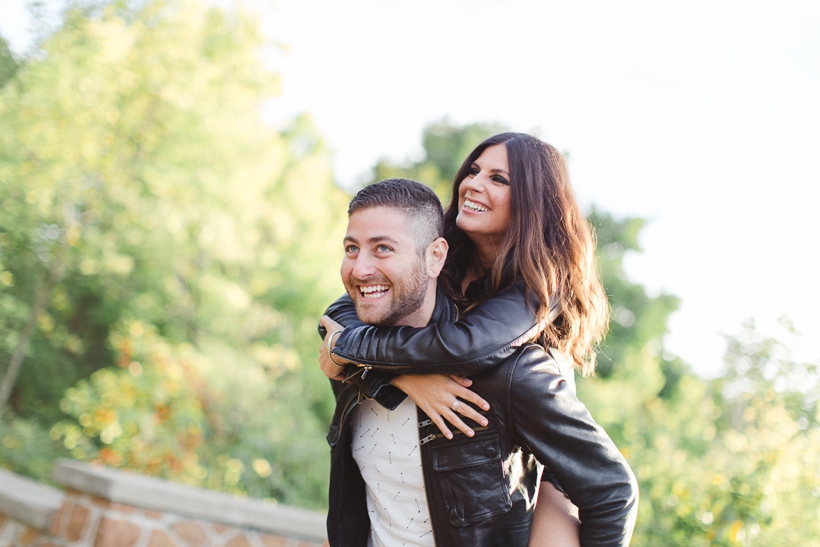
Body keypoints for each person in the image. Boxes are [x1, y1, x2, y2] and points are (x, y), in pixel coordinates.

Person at [318, 133, 609, 545]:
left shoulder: (538, 287)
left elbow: (464, 346)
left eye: (498, 179)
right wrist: (400, 378)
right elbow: (347, 308)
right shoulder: (444, 251)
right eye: (473, 171)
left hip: (540, 456)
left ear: (532, 200)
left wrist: (348, 350)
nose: (473, 184)